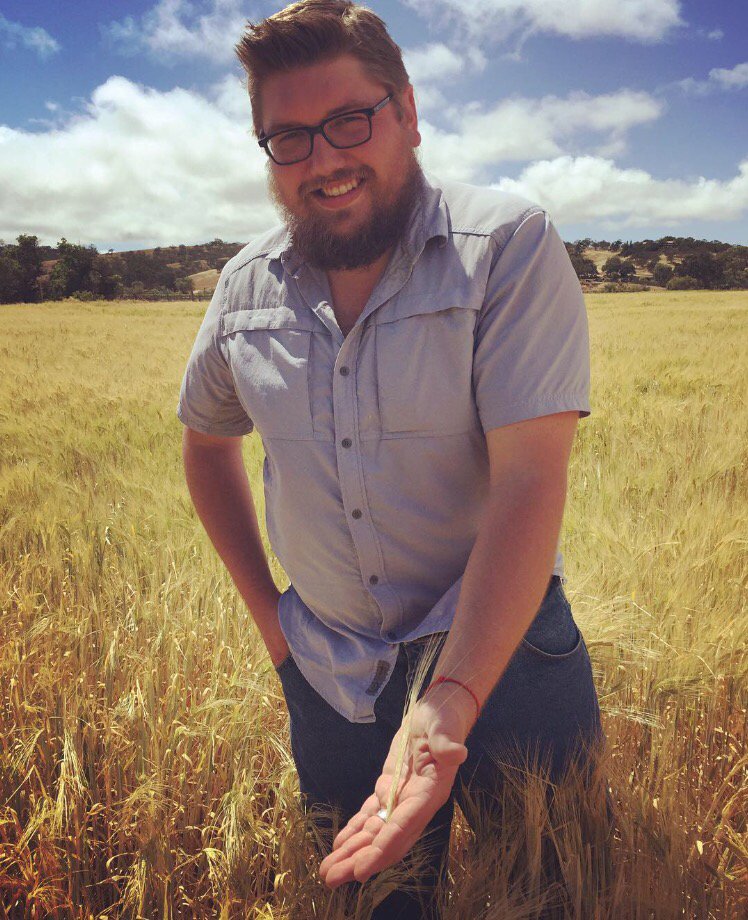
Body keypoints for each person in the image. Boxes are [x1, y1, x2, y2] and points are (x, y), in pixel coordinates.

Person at [177, 1, 607, 916]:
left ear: (407, 111)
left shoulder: (506, 248)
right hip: (331, 675)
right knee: (372, 904)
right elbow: (206, 444)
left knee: (554, 892)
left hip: (512, 654)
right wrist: (275, 628)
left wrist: (450, 697)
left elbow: (531, 478)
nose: (323, 159)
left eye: (349, 120)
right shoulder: (244, 289)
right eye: (288, 138)